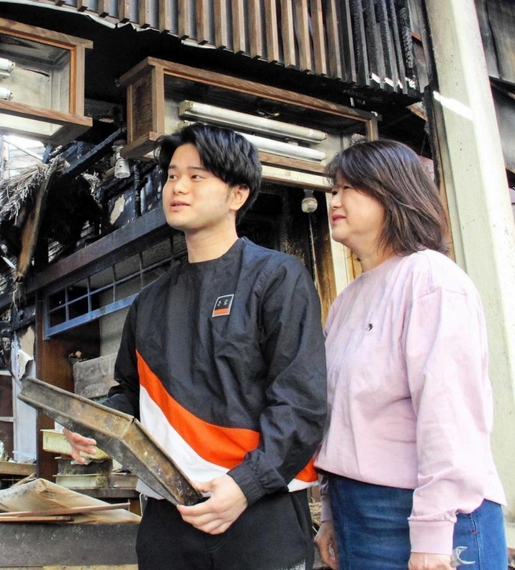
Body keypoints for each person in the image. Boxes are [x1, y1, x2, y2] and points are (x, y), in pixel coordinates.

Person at [64, 123, 328, 570]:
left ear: (237, 195)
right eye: (171, 175)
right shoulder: (150, 301)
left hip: (258, 510)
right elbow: (131, 393)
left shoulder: (277, 279)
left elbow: (301, 403)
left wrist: (246, 485)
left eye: (197, 176)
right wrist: (97, 426)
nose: (177, 187)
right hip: (168, 515)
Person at [313, 139, 507, 570]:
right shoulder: (348, 299)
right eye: (334, 190)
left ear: (394, 193)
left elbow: (449, 416)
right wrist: (330, 515)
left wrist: (434, 535)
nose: (335, 200)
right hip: (357, 509)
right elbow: (340, 417)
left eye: (350, 188)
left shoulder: (431, 279)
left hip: (425, 513)